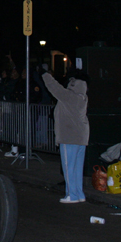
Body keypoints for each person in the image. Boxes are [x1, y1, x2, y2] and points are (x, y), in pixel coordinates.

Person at [41, 67, 89, 203]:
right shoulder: (82, 97)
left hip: (69, 136)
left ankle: (71, 195)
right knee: (77, 168)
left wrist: (45, 75)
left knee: (68, 167)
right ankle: (79, 193)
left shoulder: (69, 97)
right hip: (81, 137)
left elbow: (55, 88)